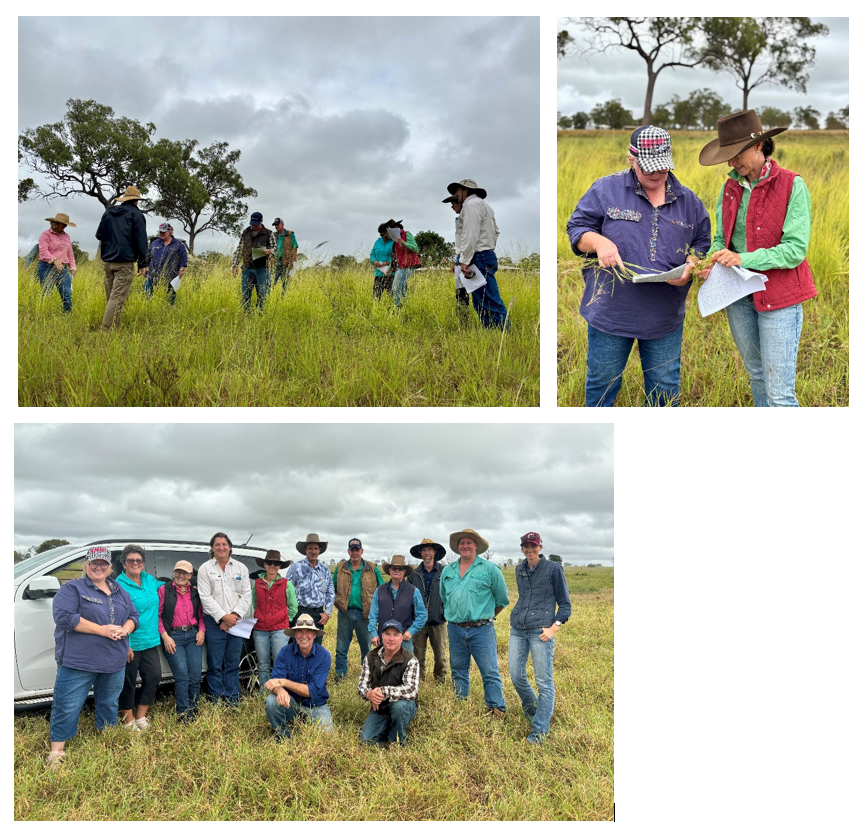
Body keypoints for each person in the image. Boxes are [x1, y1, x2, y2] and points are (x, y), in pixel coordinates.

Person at [566, 126, 712, 406]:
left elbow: (702, 243)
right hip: (611, 312)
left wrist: (691, 266)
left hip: (664, 317)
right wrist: (599, 243)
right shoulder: (605, 189)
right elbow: (578, 229)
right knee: (602, 384)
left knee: (664, 392)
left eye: (662, 168)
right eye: (648, 169)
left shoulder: (689, 201)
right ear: (631, 159)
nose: (656, 175)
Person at [697, 109, 817, 407]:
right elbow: (720, 239)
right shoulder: (729, 187)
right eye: (727, 155)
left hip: (781, 299)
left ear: (758, 146)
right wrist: (713, 261)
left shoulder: (792, 185)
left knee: (779, 392)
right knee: (757, 376)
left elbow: (794, 250)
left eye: (735, 153)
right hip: (739, 296)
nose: (730, 161)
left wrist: (742, 259)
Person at [47, 546, 139, 767]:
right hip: (79, 661)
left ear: (109, 567)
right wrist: (103, 630)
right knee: (67, 704)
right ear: (85, 565)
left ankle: (106, 737)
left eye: (103, 564)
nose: (98, 567)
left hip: (113, 661)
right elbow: (64, 617)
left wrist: (125, 630)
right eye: (94, 563)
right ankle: (57, 751)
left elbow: (134, 616)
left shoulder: (119, 590)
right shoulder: (73, 589)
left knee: (109, 702)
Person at [508, 532, 572, 745]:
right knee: (516, 676)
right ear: (522, 548)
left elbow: (565, 604)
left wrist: (554, 628)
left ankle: (539, 731)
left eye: (533, 546)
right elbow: (525, 597)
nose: (529, 550)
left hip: (541, 632)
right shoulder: (519, 569)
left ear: (540, 547)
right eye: (525, 546)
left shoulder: (554, 569)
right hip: (518, 628)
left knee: (544, 682)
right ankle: (534, 711)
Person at [439, 528, 509, 717]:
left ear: (476, 546)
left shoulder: (490, 569)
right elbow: (444, 598)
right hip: (454, 629)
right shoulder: (448, 570)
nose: (465, 546)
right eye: (462, 543)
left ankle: (497, 708)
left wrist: (485, 616)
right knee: (458, 670)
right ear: (458, 547)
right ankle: (461, 706)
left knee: (489, 671)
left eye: (469, 543)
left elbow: (502, 600)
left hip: (482, 629)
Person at [197, 532, 252, 705]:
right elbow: (205, 597)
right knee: (214, 663)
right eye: (217, 544)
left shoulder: (241, 568)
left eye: (224, 544)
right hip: (214, 623)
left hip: (237, 622)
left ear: (229, 547)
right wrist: (223, 618)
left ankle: (232, 698)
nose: (221, 547)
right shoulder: (205, 569)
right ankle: (215, 698)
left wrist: (233, 617)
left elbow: (246, 594)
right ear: (212, 548)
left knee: (232, 662)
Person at [447, 179, 510, 330]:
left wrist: (464, 261)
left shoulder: (470, 205)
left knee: (489, 301)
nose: (455, 196)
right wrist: (488, 248)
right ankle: (492, 335)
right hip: (485, 254)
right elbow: (496, 232)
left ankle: (504, 338)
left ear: (466, 190)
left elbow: (470, 234)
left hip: (478, 256)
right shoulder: (486, 206)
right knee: (481, 301)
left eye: (456, 192)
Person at [116, 544, 164, 731]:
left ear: (143, 563)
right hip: (130, 642)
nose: (135, 563)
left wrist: (186, 585)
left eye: (138, 560)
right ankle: (127, 722)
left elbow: (167, 587)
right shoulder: (118, 586)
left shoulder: (149, 580)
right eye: (131, 561)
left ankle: (140, 717)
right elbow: (116, 615)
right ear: (124, 564)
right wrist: (125, 643)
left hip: (150, 640)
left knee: (153, 677)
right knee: (127, 682)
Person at [264, 614, 334, 738]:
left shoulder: (324, 656)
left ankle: (301, 723)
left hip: (316, 705)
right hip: (291, 703)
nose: (304, 636)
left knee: (326, 736)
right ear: (295, 635)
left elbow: (312, 691)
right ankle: (283, 735)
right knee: (271, 701)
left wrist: (284, 683)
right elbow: (274, 682)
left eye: (308, 632)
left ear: (314, 635)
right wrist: (280, 691)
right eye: (299, 631)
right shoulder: (285, 652)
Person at [358, 620, 420, 746]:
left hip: (403, 704)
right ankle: (391, 725)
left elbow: (411, 690)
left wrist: (383, 691)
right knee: (366, 740)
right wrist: (369, 694)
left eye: (396, 634)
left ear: (402, 638)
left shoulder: (411, 660)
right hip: (381, 707)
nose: (391, 639)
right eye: (387, 634)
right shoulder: (370, 656)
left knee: (399, 707)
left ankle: (396, 741)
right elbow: (362, 686)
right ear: (382, 636)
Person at [95, 185, 149, 330]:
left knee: (112, 298)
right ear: (136, 200)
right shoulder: (136, 215)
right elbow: (141, 241)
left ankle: (114, 328)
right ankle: (106, 331)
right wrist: (143, 263)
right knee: (117, 299)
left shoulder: (109, 213)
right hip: (125, 262)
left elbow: (99, 234)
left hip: (107, 261)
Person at [158, 560, 205, 722]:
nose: (181, 575)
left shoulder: (194, 593)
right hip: (174, 637)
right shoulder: (164, 591)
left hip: (193, 636)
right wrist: (165, 636)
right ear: (173, 572)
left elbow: (200, 615)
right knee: (182, 676)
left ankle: (194, 709)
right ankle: (183, 713)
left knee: (195, 675)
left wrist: (202, 631)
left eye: (185, 573)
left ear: (191, 576)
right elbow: (157, 616)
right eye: (178, 571)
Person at [332, 538, 385, 680]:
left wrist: (379, 613)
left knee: (366, 648)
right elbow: (333, 588)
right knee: (341, 647)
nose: (355, 553)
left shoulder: (372, 568)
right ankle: (340, 676)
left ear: (362, 551)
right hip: (345, 613)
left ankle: (367, 677)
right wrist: (337, 602)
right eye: (352, 550)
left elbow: (383, 590)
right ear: (348, 552)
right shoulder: (340, 567)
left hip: (365, 615)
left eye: (357, 550)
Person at [251, 550, 298, 691]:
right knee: (263, 664)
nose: (272, 565)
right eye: (269, 563)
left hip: (279, 629)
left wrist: (284, 619)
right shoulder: (257, 583)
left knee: (279, 661)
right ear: (264, 564)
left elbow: (293, 606)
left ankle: (279, 690)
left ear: (279, 566)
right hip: (260, 629)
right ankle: (264, 692)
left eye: (276, 563)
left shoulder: (286, 584)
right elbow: (255, 603)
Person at [368, 555, 427, 657]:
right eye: (394, 568)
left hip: (404, 638)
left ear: (404, 572)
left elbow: (422, 615)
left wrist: (411, 631)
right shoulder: (380, 590)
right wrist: (373, 633)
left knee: (406, 666)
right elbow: (373, 614)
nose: (397, 571)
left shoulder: (413, 591)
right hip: (384, 637)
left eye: (400, 569)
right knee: (383, 667)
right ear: (389, 570)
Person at [408, 538, 449, 682]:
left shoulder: (444, 572)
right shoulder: (414, 574)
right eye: (424, 550)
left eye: (429, 550)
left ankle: (440, 681)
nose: (427, 553)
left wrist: (444, 611)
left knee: (440, 655)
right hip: (418, 623)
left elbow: (450, 593)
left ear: (434, 552)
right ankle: (419, 682)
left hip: (438, 621)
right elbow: (408, 596)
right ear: (420, 553)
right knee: (418, 656)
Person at [286, 533, 335, 648]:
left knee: (315, 648)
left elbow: (330, 592)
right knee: (298, 647)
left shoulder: (325, 570)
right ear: (305, 550)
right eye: (310, 548)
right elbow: (286, 591)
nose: (313, 551)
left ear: (319, 551)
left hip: (318, 615)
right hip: (299, 612)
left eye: (316, 549)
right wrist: (290, 612)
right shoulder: (295, 568)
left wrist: (327, 612)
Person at [231, 212, 276, 311]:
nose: (254, 226)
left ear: (261, 221)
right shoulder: (245, 232)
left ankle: (260, 315)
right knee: (245, 294)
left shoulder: (269, 233)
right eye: (252, 223)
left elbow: (275, 249)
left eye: (256, 223)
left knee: (262, 294)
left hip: (262, 268)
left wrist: (270, 251)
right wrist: (234, 265)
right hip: (247, 268)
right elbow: (240, 249)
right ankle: (246, 314)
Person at [37, 212, 76, 313]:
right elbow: (43, 250)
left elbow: (70, 252)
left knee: (66, 293)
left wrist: (72, 266)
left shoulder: (66, 236)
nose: (65, 226)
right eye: (63, 223)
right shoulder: (45, 235)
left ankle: (67, 316)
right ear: (56, 223)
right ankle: (43, 315)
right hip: (46, 266)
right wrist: (54, 260)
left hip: (62, 268)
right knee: (47, 293)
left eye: (66, 224)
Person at [141, 223, 188, 306]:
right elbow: (148, 256)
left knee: (169, 300)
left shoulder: (179, 245)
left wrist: (181, 269)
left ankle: (169, 311)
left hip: (170, 276)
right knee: (146, 297)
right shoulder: (155, 243)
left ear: (169, 232)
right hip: (152, 275)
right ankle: (148, 309)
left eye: (163, 232)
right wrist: (143, 266)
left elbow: (183, 258)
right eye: (160, 232)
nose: (161, 234)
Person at [443, 194, 471, 320]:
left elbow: (469, 240)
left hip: (469, 260)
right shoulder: (458, 219)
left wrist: (464, 260)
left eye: (454, 203)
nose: (452, 207)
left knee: (471, 292)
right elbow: (459, 243)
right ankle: (463, 320)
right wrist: (456, 261)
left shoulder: (470, 218)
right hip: (460, 261)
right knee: (460, 293)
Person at [385, 219, 420, 307]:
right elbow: (396, 257)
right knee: (402, 289)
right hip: (400, 266)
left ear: (396, 228)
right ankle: (405, 309)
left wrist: (404, 243)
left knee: (396, 288)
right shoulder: (395, 240)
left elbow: (416, 248)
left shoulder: (407, 234)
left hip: (408, 265)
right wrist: (389, 268)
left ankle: (398, 310)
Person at [270, 218, 298, 294]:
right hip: (275, 262)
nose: (276, 226)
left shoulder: (290, 234)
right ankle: (269, 298)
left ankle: (283, 299)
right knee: (271, 282)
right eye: (275, 225)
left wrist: (292, 261)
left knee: (285, 284)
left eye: (278, 224)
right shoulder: (273, 235)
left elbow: (295, 247)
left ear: (282, 224)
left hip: (286, 262)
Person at [370, 223, 395, 300]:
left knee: (391, 297)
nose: (383, 237)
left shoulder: (394, 242)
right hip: (378, 274)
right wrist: (374, 261)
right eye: (381, 235)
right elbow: (372, 254)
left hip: (390, 274)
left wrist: (387, 262)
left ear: (389, 232)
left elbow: (397, 256)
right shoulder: (377, 242)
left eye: (384, 235)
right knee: (376, 297)